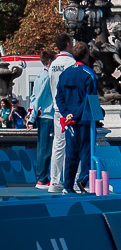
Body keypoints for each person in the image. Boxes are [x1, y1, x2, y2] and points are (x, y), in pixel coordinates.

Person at [54, 41, 99, 195]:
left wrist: (66, 113)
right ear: (86, 55)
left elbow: (59, 97)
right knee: (86, 151)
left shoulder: (65, 74)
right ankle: (84, 179)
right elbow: (90, 99)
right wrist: (76, 114)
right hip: (84, 119)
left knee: (71, 153)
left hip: (69, 120)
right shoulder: (89, 74)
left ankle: (68, 185)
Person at [46, 36, 77, 192]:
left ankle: (54, 180)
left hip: (57, 108)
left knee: (58, 145)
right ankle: (72, 181)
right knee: (72, 145)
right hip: (69, 109)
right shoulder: (71, 63)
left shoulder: (53, 65)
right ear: (68, 44)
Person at [27, 47, 55, 188]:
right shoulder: (47, 77)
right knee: (45, 148)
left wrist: (31, 116)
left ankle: (42, 177)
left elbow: (34, 97)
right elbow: (39, 98)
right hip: (47, 115)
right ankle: (42, 178)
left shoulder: (40, 75)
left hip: (42, 116)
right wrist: (32, 118)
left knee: (43, 147)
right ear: (50, 61)